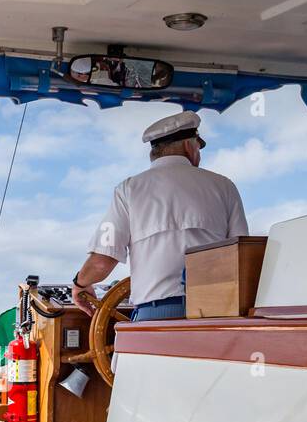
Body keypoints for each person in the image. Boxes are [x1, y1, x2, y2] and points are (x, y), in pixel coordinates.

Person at [71, 110, 248, 321]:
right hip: (215, 315)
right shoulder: (224, 186)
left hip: (155, 316)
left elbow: (102, 261)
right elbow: (241, 255)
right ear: (189, 146)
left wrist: (79, 285)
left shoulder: (129, 190)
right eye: (199, 148)